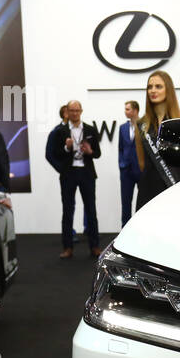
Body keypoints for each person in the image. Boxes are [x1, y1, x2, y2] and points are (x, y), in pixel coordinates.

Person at [45, 100, 102, 259]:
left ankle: (95, 246)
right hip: (69, 174)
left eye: (77, 110)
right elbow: (54, 153)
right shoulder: (60, 131)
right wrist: (66, 148)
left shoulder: (90, 129)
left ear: (81, 111)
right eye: (72, 110)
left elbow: (98, 153)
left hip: (87, 173)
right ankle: (68, 247)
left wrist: (90, 151)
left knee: (91, 210)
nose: (75, 113)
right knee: (68, 211)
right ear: (67, 112)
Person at [135, 71, 180, 211]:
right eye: (150, 87)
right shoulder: (141, 125)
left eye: (158, 86)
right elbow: (141, 163)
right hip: (147, 190)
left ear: (168, 89)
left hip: (173, 189)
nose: (153, 90)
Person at [118, 99, 141, 225]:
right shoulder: (122, 128)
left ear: (135, 110)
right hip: (126, 170)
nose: (125, 112)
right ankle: (124, 230)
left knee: (142, 202)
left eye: (128, 109)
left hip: (141, 170)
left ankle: (140, 228)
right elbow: (120, 148)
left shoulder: (144, 126)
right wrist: (121, 164)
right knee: (125, 202)